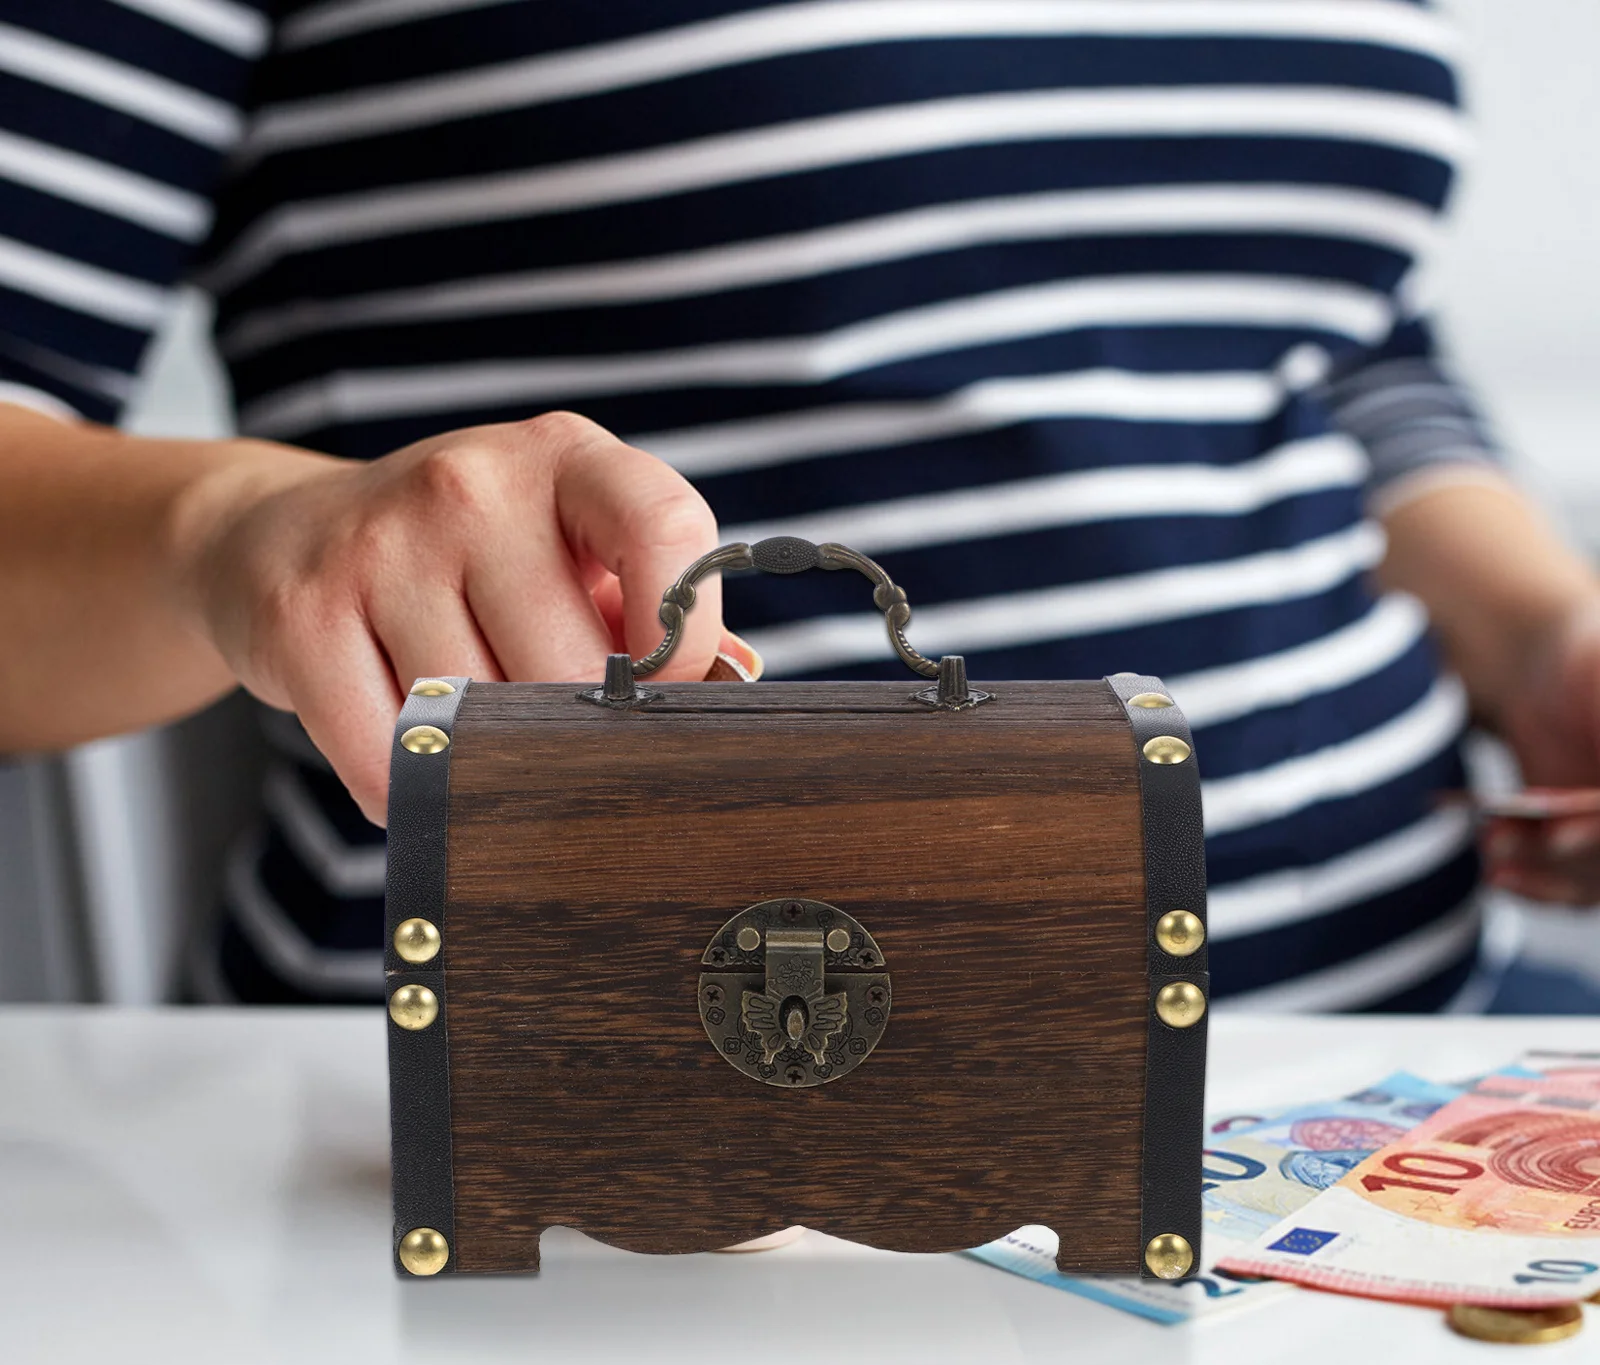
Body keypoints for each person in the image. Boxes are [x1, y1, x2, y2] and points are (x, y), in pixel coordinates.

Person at [2, 0, 1598, 1010]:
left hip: (1399, 1065)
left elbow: (1329, 332)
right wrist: (245, 538)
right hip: (634, 1148)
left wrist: (1541, 638)